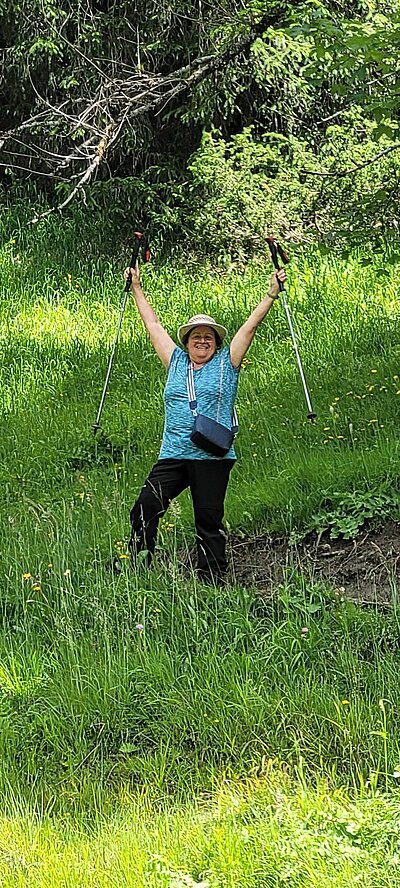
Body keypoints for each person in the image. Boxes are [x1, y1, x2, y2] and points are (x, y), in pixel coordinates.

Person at [125, 262, 286, 584]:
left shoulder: (228, 363)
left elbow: (249, 327)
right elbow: (153, 326)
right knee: (144, 508)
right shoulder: (175, 362)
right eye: (196, 336)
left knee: (208, 519)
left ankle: (212, 580)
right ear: (186, 342)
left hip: (212, 456)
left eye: (208, 337)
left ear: (216, 342)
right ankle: (139, 569)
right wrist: (136, 289)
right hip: (172, 455)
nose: (202, 341)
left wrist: (271, 294)